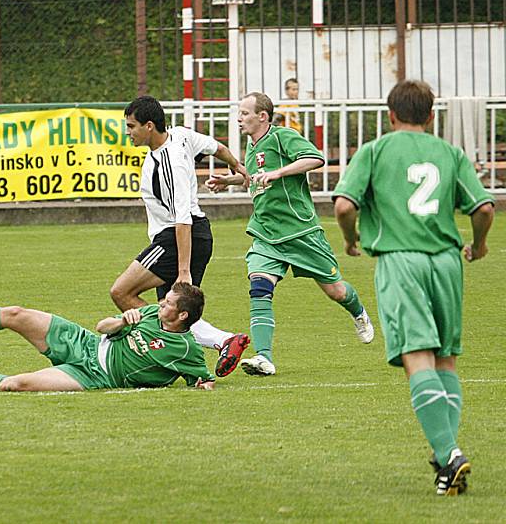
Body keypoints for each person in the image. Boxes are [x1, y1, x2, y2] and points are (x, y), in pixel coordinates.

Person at [333, 80, 495, 496]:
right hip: (446, 262)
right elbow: (484, 208)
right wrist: (478, 245)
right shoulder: (450, 153)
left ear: (390, 115)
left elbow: (345, 205)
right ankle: (446, 464)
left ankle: (450, 453)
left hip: (400, 260)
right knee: (446, 360)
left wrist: (351, 240)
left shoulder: (375, 150)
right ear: (430, 115)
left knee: (417, 356)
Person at [206, 91, 374, 377]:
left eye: (244, 113)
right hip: (266, 233)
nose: (239, 118)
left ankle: (359, 313)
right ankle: (264, 357)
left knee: (336, 291)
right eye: (239, 113)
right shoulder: (252, 143)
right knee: (259, 288)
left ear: (262, 116)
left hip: (301, 231)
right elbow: (254, 176)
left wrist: (279, 173)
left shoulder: (283, 136)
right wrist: (231, 180)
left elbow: (315, 158)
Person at [110, 95, 250, 377]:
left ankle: (162, 349)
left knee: (122, 292)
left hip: (178, 238)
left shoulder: (170, 164)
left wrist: (183, 271)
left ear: (149, 126)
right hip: (193, 237)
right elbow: (216, 147)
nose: (128, 132)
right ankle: (224, 341)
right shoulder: (181, 135)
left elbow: (181, 217)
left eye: (131, 126)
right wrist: (237, 166)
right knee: (172, 311)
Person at [0, 282, 217, 392]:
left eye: (168, 304)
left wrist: (205, 384)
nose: (161, 303)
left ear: (182, 316)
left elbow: (203, 380)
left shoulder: (185, 349)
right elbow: (101, 327)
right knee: (16, 314)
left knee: (18, 383)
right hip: (84, 342)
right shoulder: (149, 313)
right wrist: (121, 320)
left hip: (96, 376)